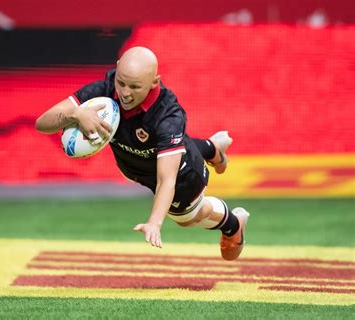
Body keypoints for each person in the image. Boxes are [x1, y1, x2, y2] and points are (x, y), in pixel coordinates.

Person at [35, 46, 249, 260]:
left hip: (181, 174)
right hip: (136, 165)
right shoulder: (105, 90)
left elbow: (166, 180)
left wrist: (155, 222)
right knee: (163, 143)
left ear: (154, 82)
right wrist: (75, 113)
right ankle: (211, 148)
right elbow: (42, 123)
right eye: (121, 82)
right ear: (117, 70)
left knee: (187, 218)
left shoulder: (168, 116)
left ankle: (233, 224)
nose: (125, 93)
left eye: (135, 87)